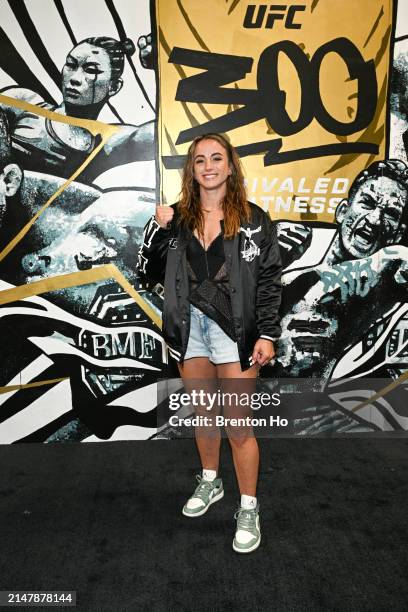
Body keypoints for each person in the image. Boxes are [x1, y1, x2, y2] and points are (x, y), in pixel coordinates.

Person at [138, 133, 282, 553]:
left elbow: (270, 280)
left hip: (235, 335)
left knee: (238, 426)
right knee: (204, 413)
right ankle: (210, 480)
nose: (208, 165)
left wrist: (267, 333)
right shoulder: (178, 219)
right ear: (192, 170)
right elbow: (149, 270)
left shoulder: (255, 219)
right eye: (200, 160)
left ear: (231, 166)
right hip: (190, 330)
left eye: (216, 158)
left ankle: (250, 507)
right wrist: (157, 229)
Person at [0, 36, 154, 183]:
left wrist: (164, 66)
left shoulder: (105, 144)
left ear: (113, 87)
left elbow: (162, 134)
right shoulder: (22, 102)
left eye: (91, 70)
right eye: (71, 65)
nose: (74, 78)